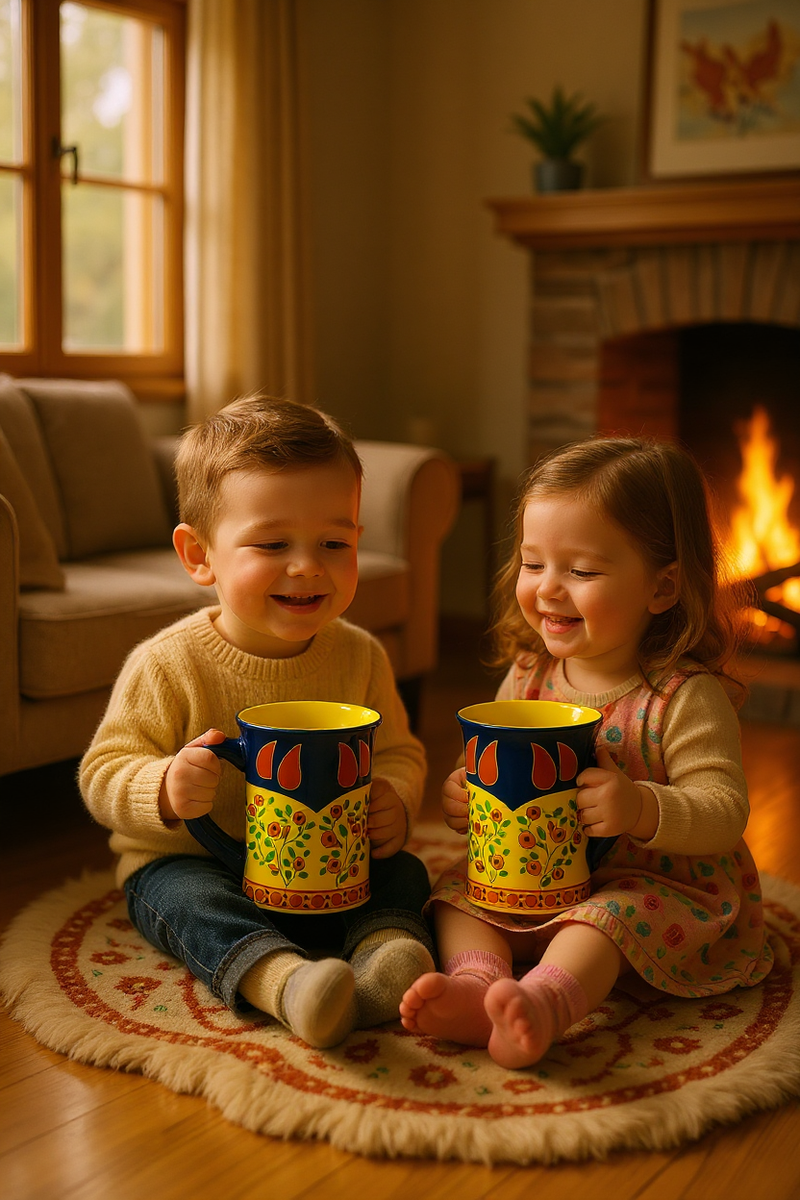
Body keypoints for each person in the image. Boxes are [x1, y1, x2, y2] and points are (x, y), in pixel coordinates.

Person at [400, 436, 773, 1069]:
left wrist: (639, 808)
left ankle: (544, 1004)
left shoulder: (682, 696)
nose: (548, 589)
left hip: (656, 887)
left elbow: (723, 811)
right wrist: (465, 791)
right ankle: (479, 985)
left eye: (581, 571)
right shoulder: (528, 676)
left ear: (662, 587)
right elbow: (485, 772)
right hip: (537, 880)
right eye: (532, 563)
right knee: (455, 893)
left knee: (605, 919)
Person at [80, 394, 435, 1050]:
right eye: (273, 543)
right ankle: (285, 983)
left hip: (330, 862)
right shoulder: (170, 663)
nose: (308, 565)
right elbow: (103, 769)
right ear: (199, 556)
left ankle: (387, 959)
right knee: (186, 902)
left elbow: (400, 752)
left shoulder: (360, 655)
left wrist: (395, 796)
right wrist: (159, 786)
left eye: (335, 542)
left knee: (407, 873)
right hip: (195, 862)